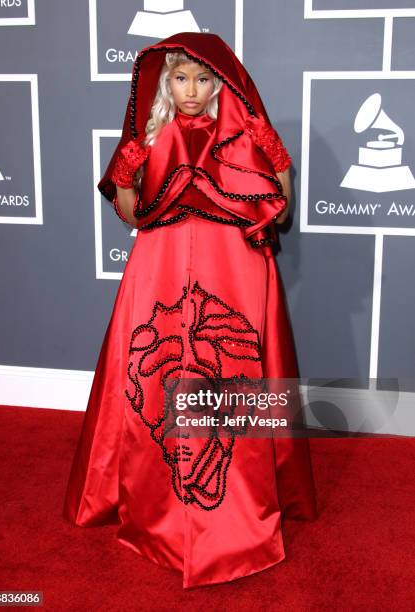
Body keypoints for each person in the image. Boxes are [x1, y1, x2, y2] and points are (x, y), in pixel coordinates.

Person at [63, 32, 317, 589]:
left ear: (223, 83)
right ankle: (152, 500)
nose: (192, 91)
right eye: (180, 78)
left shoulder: (244, 136)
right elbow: (131, 217)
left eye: (204, 79)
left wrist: (267, 148)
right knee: (152, 371)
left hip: (233, 266)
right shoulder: (149, 138)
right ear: (163, 82)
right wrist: (130, 166)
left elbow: (279, 206)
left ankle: (236, 509)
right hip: (161, 264)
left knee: (236, 367)